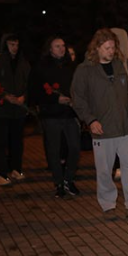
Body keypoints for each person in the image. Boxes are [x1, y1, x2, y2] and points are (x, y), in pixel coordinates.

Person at [71, 28, 128, 220]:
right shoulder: (85, 70)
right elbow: (78, 99)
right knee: (105, 170)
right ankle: (108, 205)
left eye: (113, 47)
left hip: (125, 127)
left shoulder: (123, 64)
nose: (111, 51)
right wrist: (90, 120)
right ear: (96, 48)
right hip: (102, 129)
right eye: (106, 48)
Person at [31, 35, 80, 198]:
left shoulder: (71, 67)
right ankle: (58, 182)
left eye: (63, 45)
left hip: (69, 113)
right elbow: (35, 92)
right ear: (50, 49)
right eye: (57, 46)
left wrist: (75, 100)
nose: (61, 48)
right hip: (51, 114)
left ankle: (69, 179)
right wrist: (55, 99)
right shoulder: (41, 68)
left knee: (74, 147)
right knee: (54, 150)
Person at [0, 33, 30, 186]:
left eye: (16, 44)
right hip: (2, 109)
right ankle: (1, 173)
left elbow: (29, 82)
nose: (14, 48)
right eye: (11, 44)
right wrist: (4, 96)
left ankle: (16, 169)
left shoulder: (23, 62)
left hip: (18, 110)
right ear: (5, 45)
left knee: (17, 142)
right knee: (1, 142)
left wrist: (24, 96)